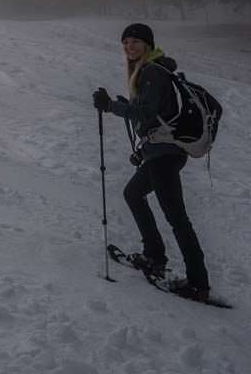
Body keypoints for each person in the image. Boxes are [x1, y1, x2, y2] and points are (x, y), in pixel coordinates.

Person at [93, 22, 211, 302]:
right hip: (159, 153)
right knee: (133, 194)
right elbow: (154, 117)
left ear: (147, 44)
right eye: (125, 43)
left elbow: (146, 114)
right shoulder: (149, 71)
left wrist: (111, 106)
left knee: (177, 219)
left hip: (165, 156)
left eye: (134, 42)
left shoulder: (153, 72)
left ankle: (198, 283)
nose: (129, 47)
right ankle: (154, 256)